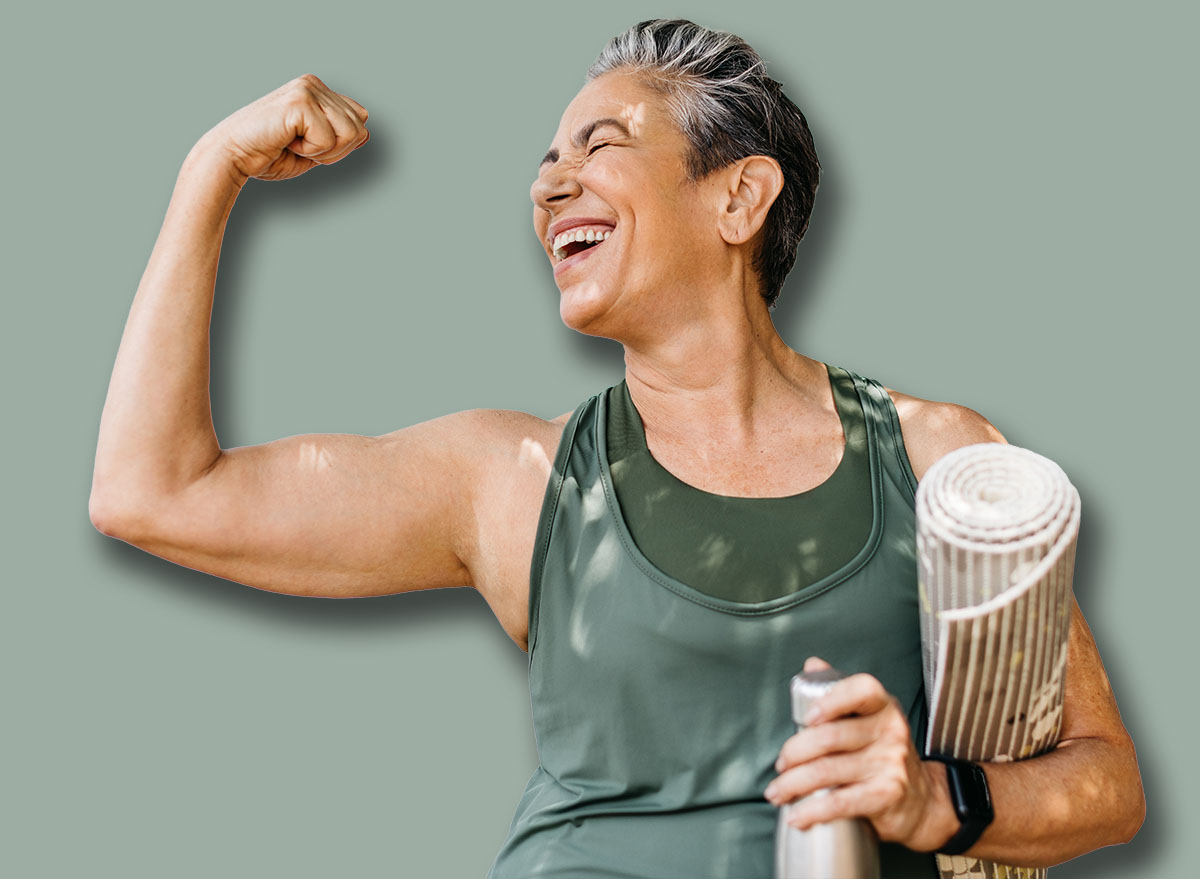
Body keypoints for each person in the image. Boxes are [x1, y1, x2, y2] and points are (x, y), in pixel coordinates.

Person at [90, 18, 1144, 879]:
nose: (548, 186)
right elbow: (151, 492)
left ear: (738, 197)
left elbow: (1106, 783)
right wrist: (210, 169)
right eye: (546, 163)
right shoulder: (514, 482)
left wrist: (933, 798)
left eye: (600, 146)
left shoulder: (941, 458)